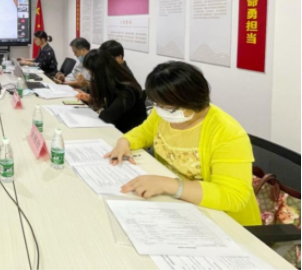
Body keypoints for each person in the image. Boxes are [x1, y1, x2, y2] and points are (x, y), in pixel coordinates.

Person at [106, 61, 261, 226]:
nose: (161, 110)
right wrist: (124, 141)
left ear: (194, 100)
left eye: (169, 108)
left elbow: (233, 196)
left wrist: (169, 185)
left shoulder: (227, 133)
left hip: (223, 220)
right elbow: (144, 132)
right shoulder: (163, 113)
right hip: (176, 203)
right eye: (157, 104)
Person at [75, 49, 146, 133]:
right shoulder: (112, 83)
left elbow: (107, 116)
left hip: (126, 133)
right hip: (114, 129)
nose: (92, 78)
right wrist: (92, 99)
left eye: (92, 74)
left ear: (101, 73)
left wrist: (98, 108)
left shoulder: (128, 90)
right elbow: (110, 105)